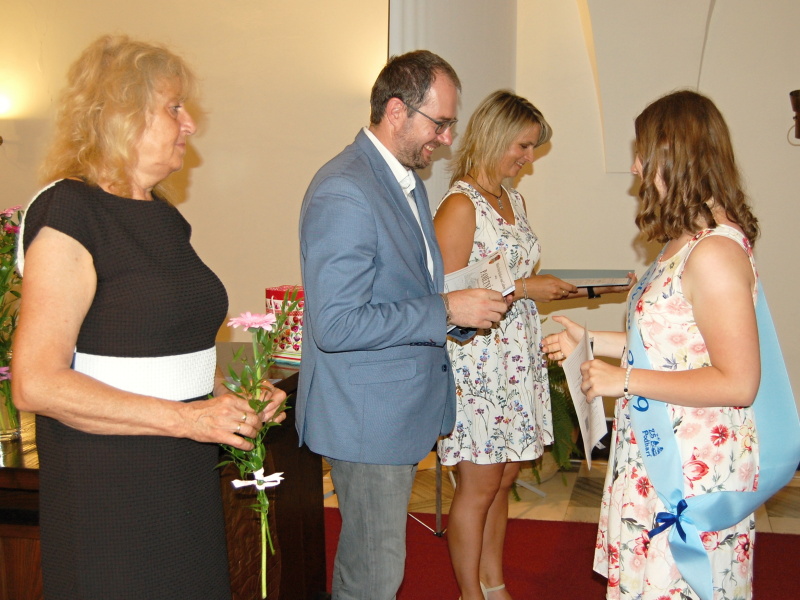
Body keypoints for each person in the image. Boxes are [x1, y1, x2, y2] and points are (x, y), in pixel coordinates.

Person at [11, 35, 285, 599]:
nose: (190, 125)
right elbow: (35, 382)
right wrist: (188, 421)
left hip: (179, 481)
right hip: (110, 492)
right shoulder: (70, 211)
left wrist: (231, 396)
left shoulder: (162, 215)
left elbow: (154, 355)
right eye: (174, 108)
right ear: (122, 114)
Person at [296, 51, 509, 600]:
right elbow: (336, 324)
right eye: (440, 123)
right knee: (373, 577)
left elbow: (402, 291)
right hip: (367, 417)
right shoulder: (345, 188)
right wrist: (446, 310)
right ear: (396, 111)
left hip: (393, 409)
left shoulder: (403, 181)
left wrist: (460, 317)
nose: (447, 138)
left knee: (375, 569)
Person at [543, 90, 765, 599]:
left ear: (675, 154)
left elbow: (739, 382)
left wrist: (622, 380)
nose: (635, 167)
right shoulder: (684, 240)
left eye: (642, 153)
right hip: (658, 444)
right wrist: (591, 340)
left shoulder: (715, 252)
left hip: (692, 464)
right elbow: (671, 342)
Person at [434, 90, 631, 600]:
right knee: (478, 486)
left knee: (502, 481)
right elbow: (444, 299)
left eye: (532, 148)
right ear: (493, 136)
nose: (528, 158)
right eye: (522, 146)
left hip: (514, 356)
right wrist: (525, 288)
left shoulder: (511, 199)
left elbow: (516, 278)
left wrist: (583, 287)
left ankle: (493, 583)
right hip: (477, 362)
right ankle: (469, 593)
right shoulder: (460, 205)